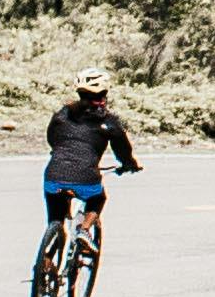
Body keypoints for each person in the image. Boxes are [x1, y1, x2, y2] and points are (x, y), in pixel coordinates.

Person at [41, 75, 141, 231]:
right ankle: (85, 229)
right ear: (103, 96)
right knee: (98, 198)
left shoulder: (62, 114)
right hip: (86, 178)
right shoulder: (109, 121)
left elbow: (52, 138)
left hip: (54, 176)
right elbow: (123, 149)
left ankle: (48, 251)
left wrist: (59, 151)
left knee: (56, 219)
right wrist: (129, 164)